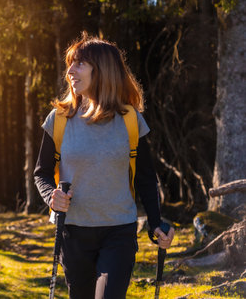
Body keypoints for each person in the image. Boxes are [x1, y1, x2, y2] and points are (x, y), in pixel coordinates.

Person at [33, 32, 175, 299]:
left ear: (102, 71)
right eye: (70, 63)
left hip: (118, 231)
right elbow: (41, 173)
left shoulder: (130, 119)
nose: (70, 71)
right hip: (73, 232)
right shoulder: (59, 119)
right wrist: (52, 198)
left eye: (80, 64)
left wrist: (156, 223)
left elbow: (145, 177)